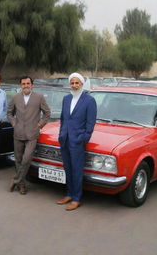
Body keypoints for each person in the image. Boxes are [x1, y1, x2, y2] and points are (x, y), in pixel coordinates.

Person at [57, 73, 97, 210]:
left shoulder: (89, 100)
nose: (74, 85)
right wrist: (61, 134)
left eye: (77, 83)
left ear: (81, 84)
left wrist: (84, 138)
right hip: (65, 139)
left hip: (78, 141)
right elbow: (63, 119)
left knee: (77, 170)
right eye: (72, 83)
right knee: (67, 168)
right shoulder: (66, 99)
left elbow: (90, 123)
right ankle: (69, 194)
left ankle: (76, 198)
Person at [8, 76, 50, 195]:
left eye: (28, 83)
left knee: (26, 160)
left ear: (32, 85)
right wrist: (14, 123)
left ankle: (15, 180)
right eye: (23, 84)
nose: (26, 85)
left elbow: (47, 113)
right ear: (20, 85)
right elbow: (9, 113)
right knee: (18, 160)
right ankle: (21, 185)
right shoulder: (16, 97)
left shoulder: (39, 97)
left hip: (32, 134)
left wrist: (40, 125)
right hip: (18, 133)